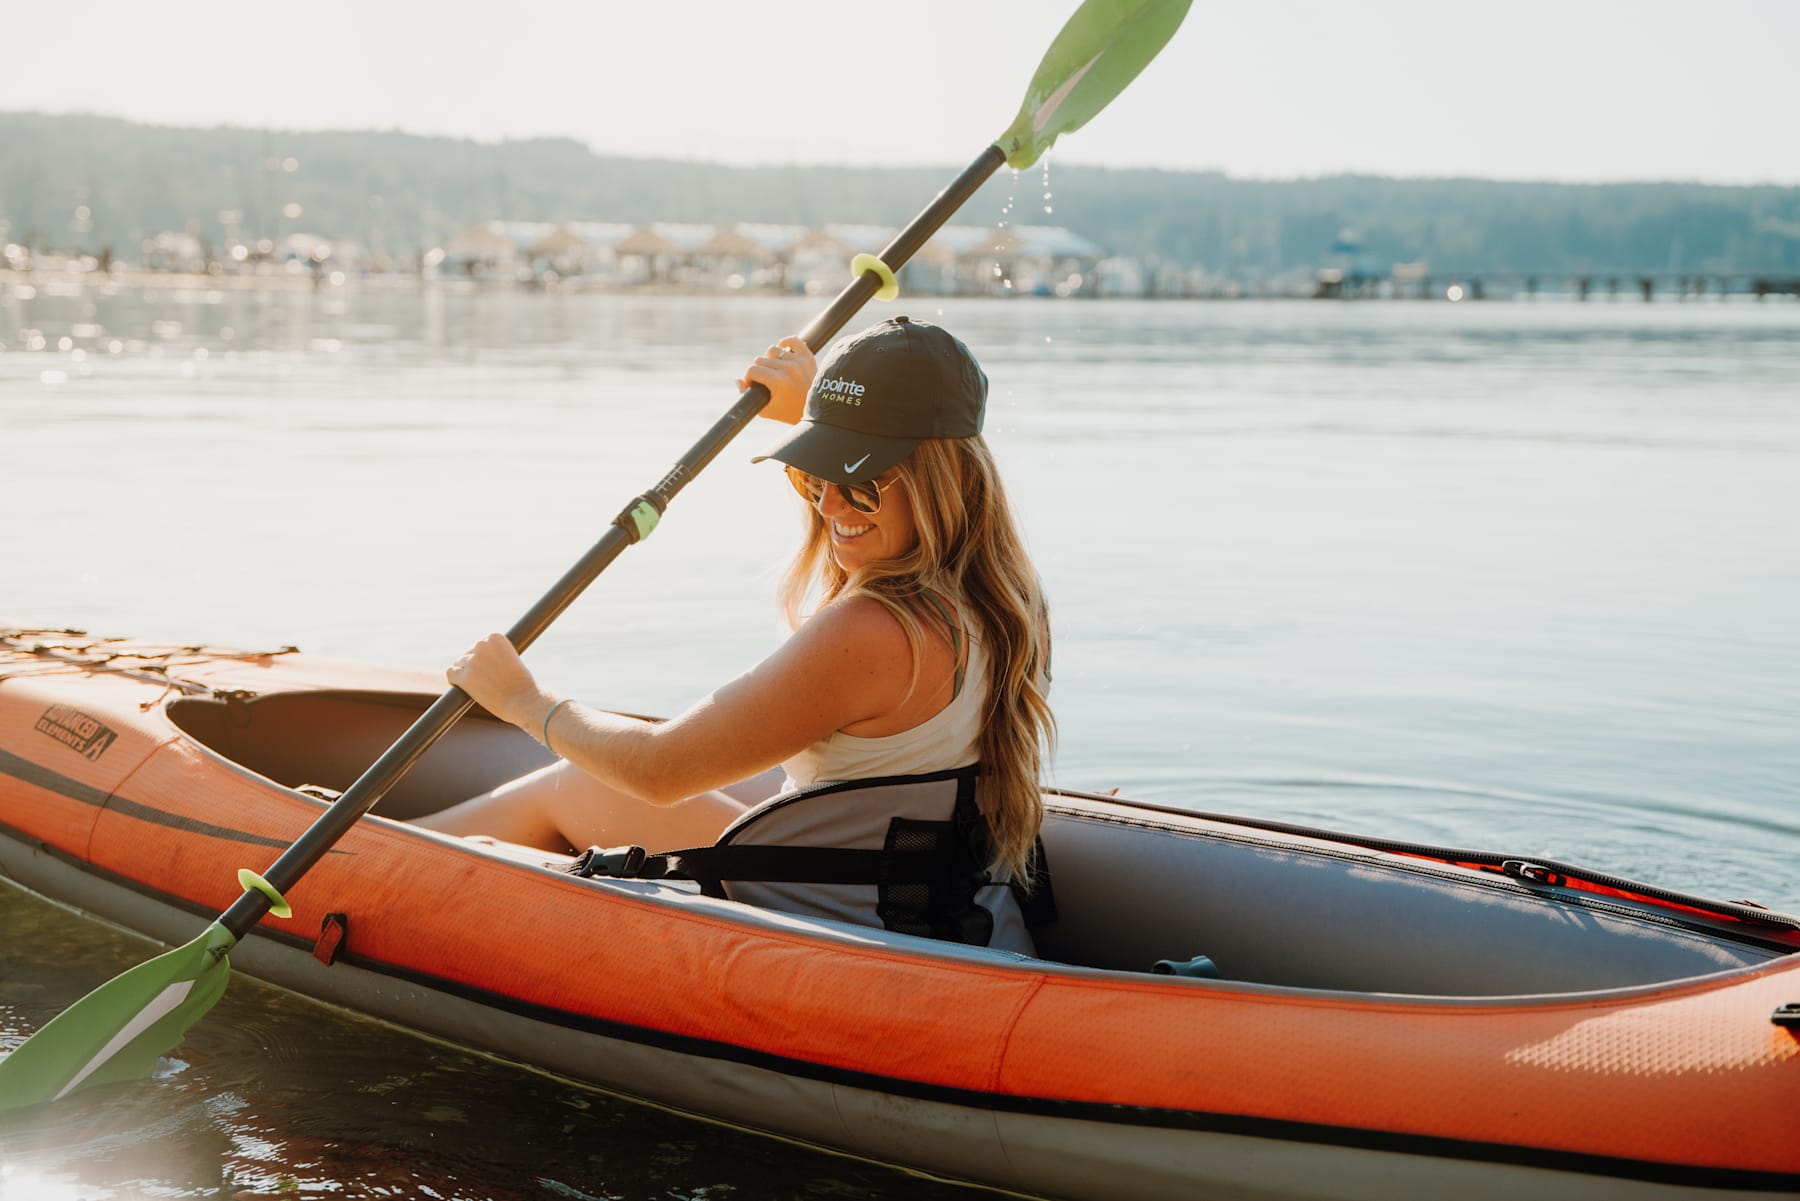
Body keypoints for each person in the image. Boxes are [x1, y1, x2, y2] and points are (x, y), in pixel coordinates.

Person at [416, 316, 1054, 950]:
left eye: (859, 483)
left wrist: (523, 701)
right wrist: (817, 420)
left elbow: (658, 771)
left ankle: (361, 853)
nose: (829, 506)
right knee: (610, 782)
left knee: (576, 785)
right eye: (814, 476)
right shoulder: (1010, 599)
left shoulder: (877, 628)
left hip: (849, 922)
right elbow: (874, 502)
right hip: (937, 901)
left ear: (940, 484)